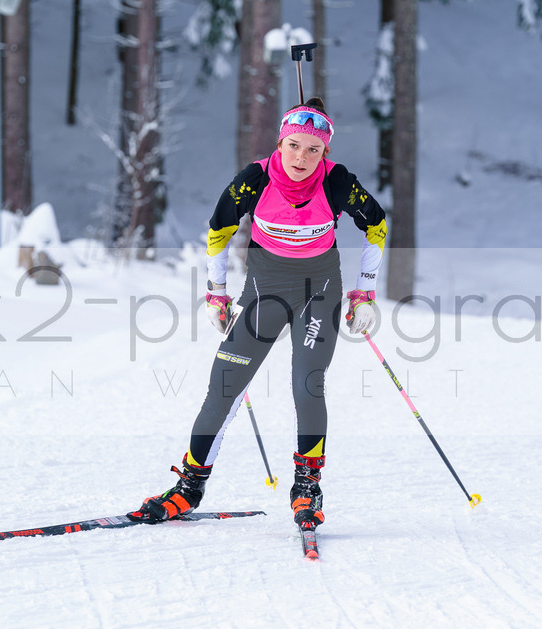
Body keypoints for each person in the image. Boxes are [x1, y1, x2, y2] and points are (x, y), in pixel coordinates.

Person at [127, 97, 387, 529]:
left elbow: (375, 225)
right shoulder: (255, 179)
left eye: (314, 149)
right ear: (280, 142)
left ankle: (306, 488)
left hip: (318, 291)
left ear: (326, 152)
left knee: (307, 383)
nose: (302, 157)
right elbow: (219, 230)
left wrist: (365, 292)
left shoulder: (337, 182)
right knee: (223, 384)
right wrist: (217, 294)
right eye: (294, 145)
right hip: (265, 289)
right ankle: (189, 487)